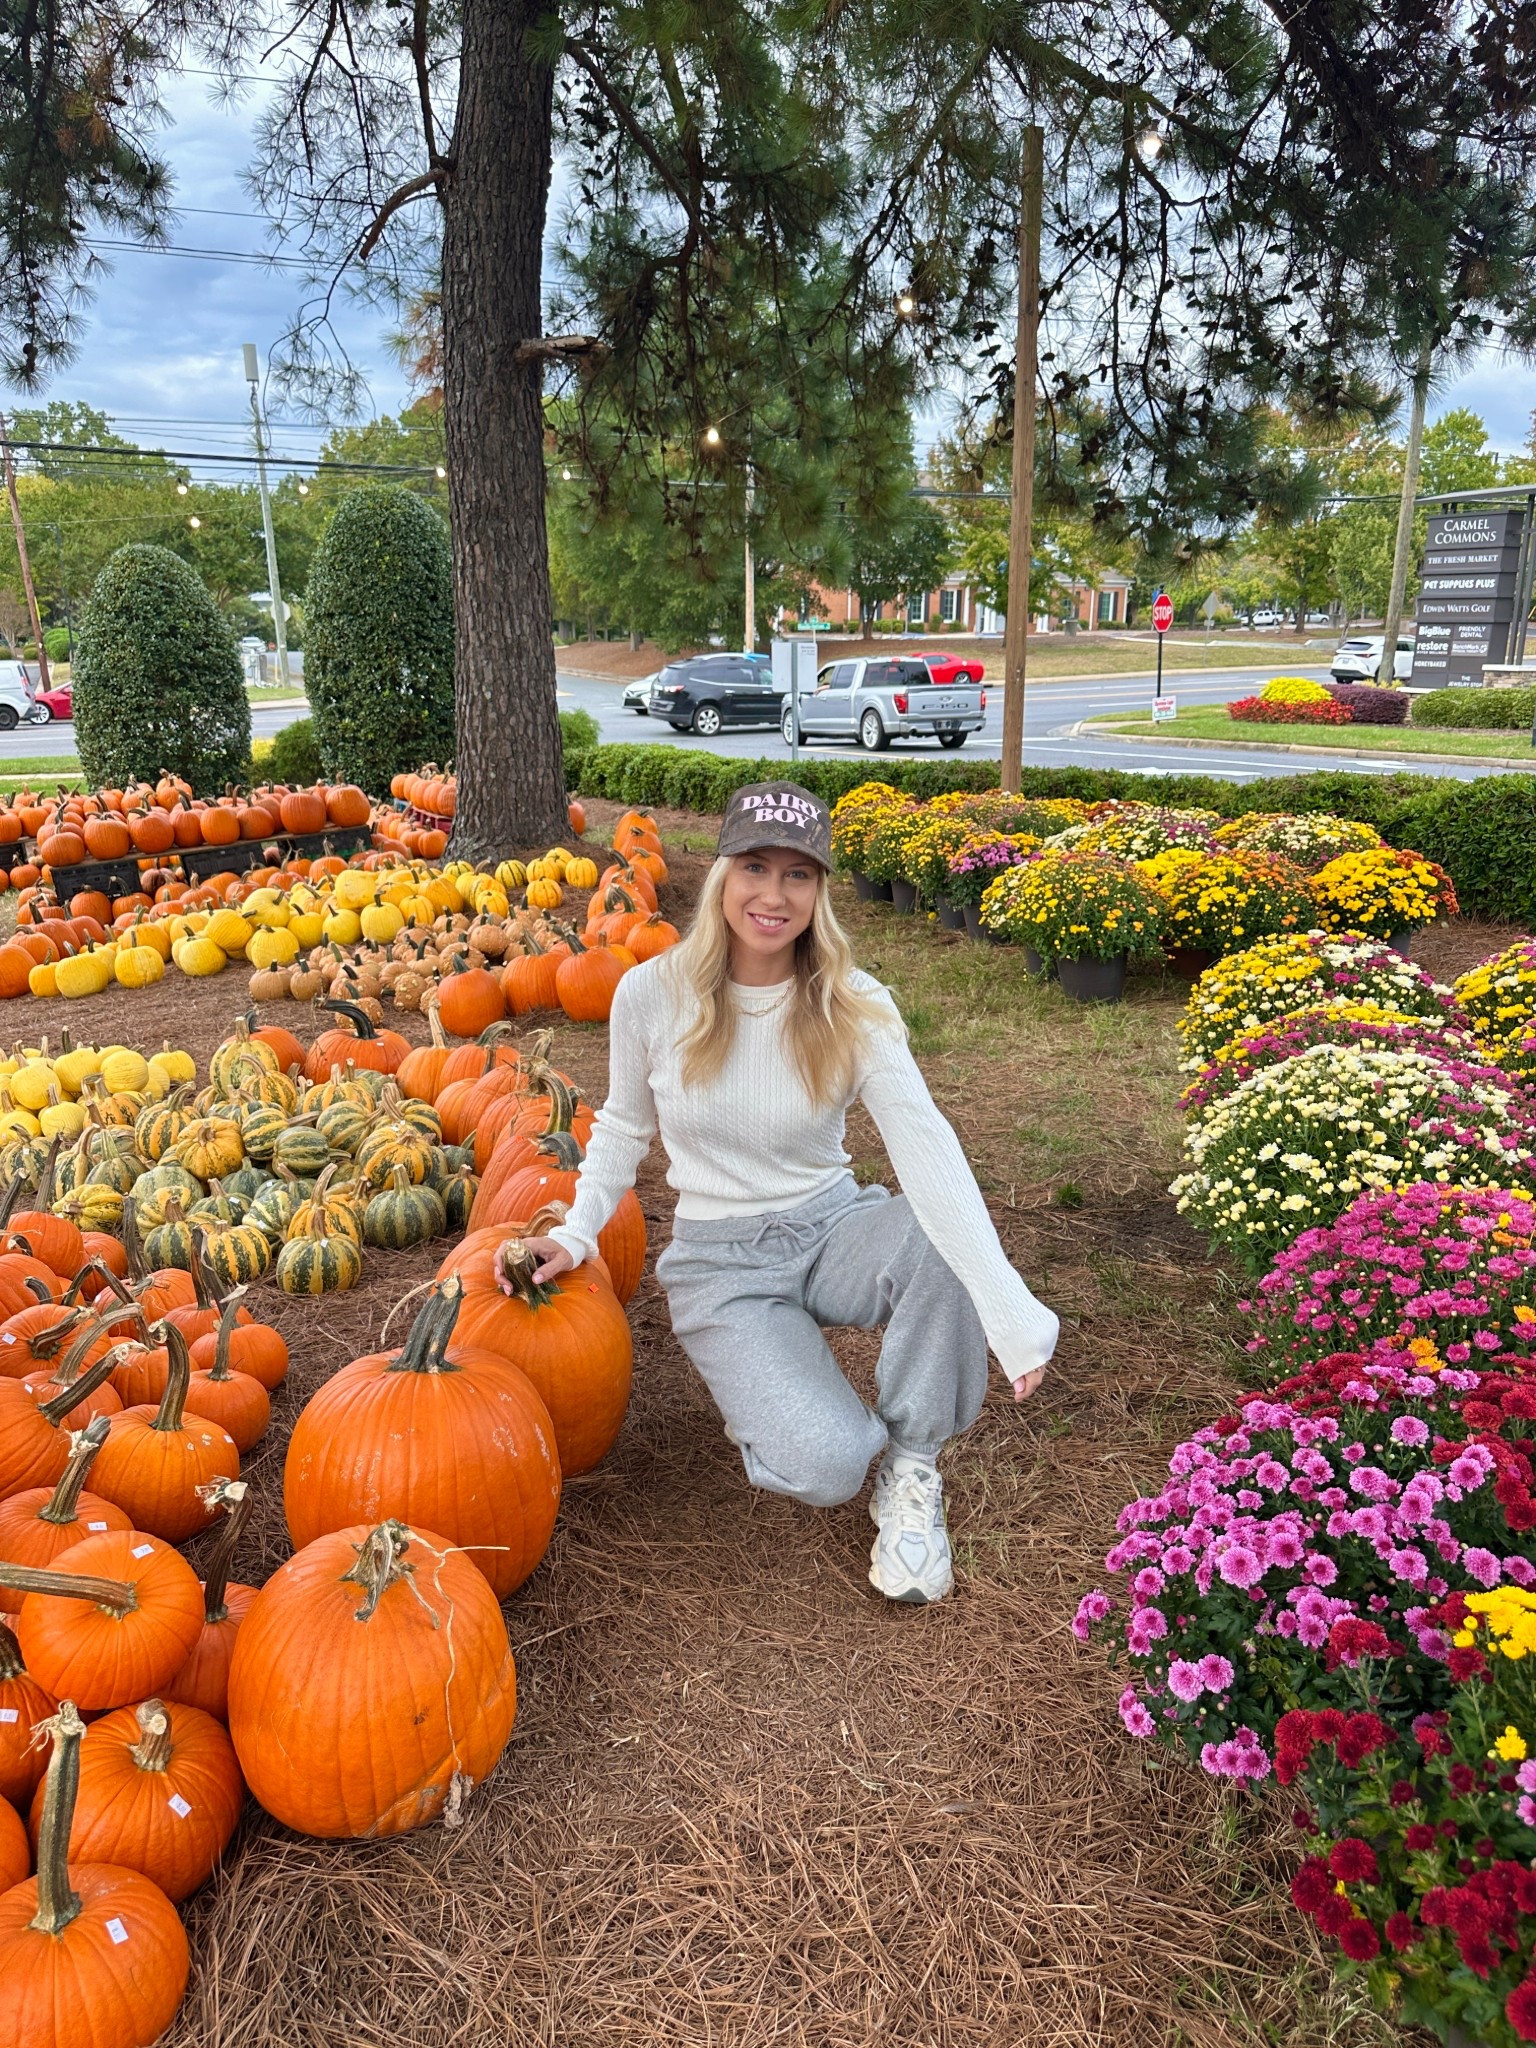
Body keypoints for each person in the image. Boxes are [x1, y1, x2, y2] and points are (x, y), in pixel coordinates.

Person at [524, 781, 1058, 1605]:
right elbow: (624, 1129)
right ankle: (786, 1385)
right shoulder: (651, 995)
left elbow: (926, 1146)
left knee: (937, 1240)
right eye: (756, 867)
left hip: (830, 1226)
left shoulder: (855, 1003)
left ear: (820, 890)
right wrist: (579, 1230)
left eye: (799, 874)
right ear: (722, 875)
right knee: (829, 1462)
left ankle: (914, 1466)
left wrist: (1006, 1304)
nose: (774, 895)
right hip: (721, 1263)